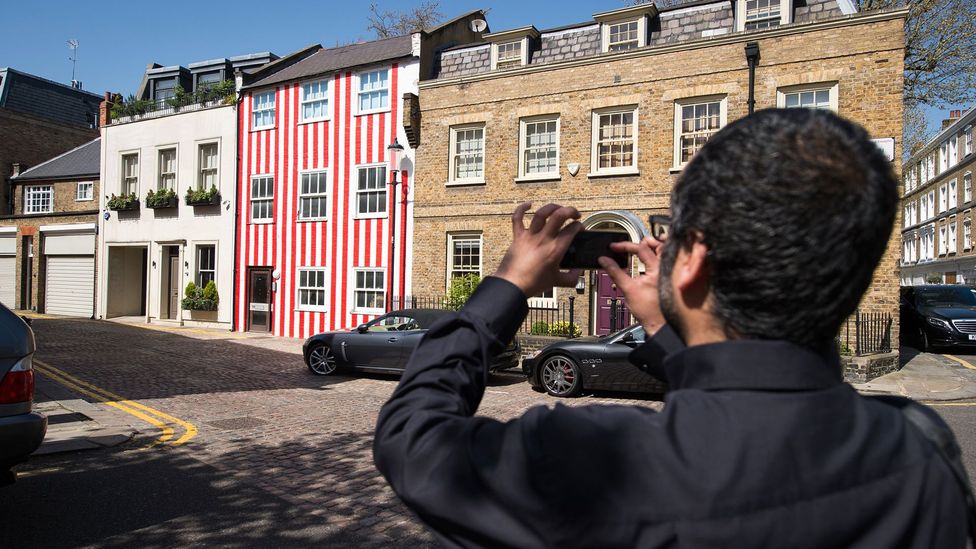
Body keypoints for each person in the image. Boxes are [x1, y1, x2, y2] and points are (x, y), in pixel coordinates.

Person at [372, 109, 970, 547]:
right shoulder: (921, 449)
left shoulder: (604, 461)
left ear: (693, 262)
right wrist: (668, 323)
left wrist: (506, 286)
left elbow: (412, 441)